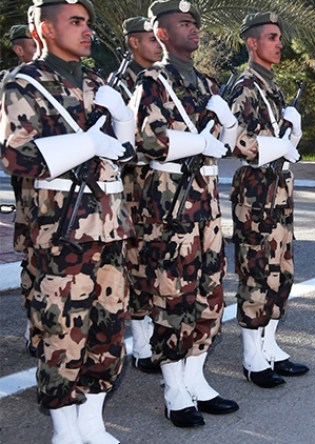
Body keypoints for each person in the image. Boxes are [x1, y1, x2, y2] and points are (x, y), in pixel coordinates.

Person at [1, 1, 135, 442]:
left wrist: (121, 120)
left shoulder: (97, 82)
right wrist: (86, 143)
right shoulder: (23, 84)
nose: (87, 30)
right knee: (61, 329)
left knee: (108, 327)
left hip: (110, 226)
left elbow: (126, 153)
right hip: (59, 230)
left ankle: (93, 423)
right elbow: (16, 156)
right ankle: (64, 430)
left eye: (88, 23)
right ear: (44, 28)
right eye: (75, 22)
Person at [134, 0, 238, 427]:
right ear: (161, 33)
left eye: (195, 23)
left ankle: (196, 379)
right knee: (173, 298)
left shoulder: (210, 83)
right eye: (183, 23)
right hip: (170, 207)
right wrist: (200, 138)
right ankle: (174, 388)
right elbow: (151, 140)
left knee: (210, 296)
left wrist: (226, 122)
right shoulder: (153, 81)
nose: (193, 28)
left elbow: (229, 142)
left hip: (207, 206)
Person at [226, 11, 309, 390]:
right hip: (256, 194)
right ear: (252, 43)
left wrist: (291, 129)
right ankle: (250, 356)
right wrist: (282, 143)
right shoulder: (245, 86)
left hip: (278, 192)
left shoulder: (271, 87)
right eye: (272, 37)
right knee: (257, 273)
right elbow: (240, 141)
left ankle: (269, 345)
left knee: (282, 272)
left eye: (279, 37)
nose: (280, 43)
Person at [119, 15, 163, 375]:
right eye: (150, 38)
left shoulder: (165, 80)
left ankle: (160, 332)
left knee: (159, 261)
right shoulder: (122, 84)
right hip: (134, 188)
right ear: (134, 42)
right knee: (137, 261)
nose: (156, 43)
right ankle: (142, 342)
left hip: (161, 189)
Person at [3, 22, 41, 358]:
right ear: (19, 48)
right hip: (30, 189)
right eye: (33, 41)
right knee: (33, 257)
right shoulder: (17, 82)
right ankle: (34, 325)